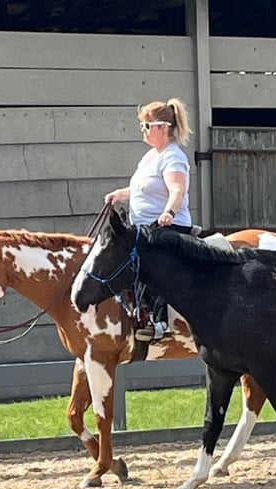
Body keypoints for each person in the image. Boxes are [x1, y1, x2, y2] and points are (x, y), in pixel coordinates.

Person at [104, 98, 193, 342]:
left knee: (152, 263)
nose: (143, 130)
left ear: (163, 127)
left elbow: (177, 190)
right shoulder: (150, 157)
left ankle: (159, 321)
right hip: (143, 227)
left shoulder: (173, 157)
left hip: (168, 225)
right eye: (142, 125)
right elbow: (142, 190)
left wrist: (169, 213)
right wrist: (119, 195)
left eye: (146, 125)